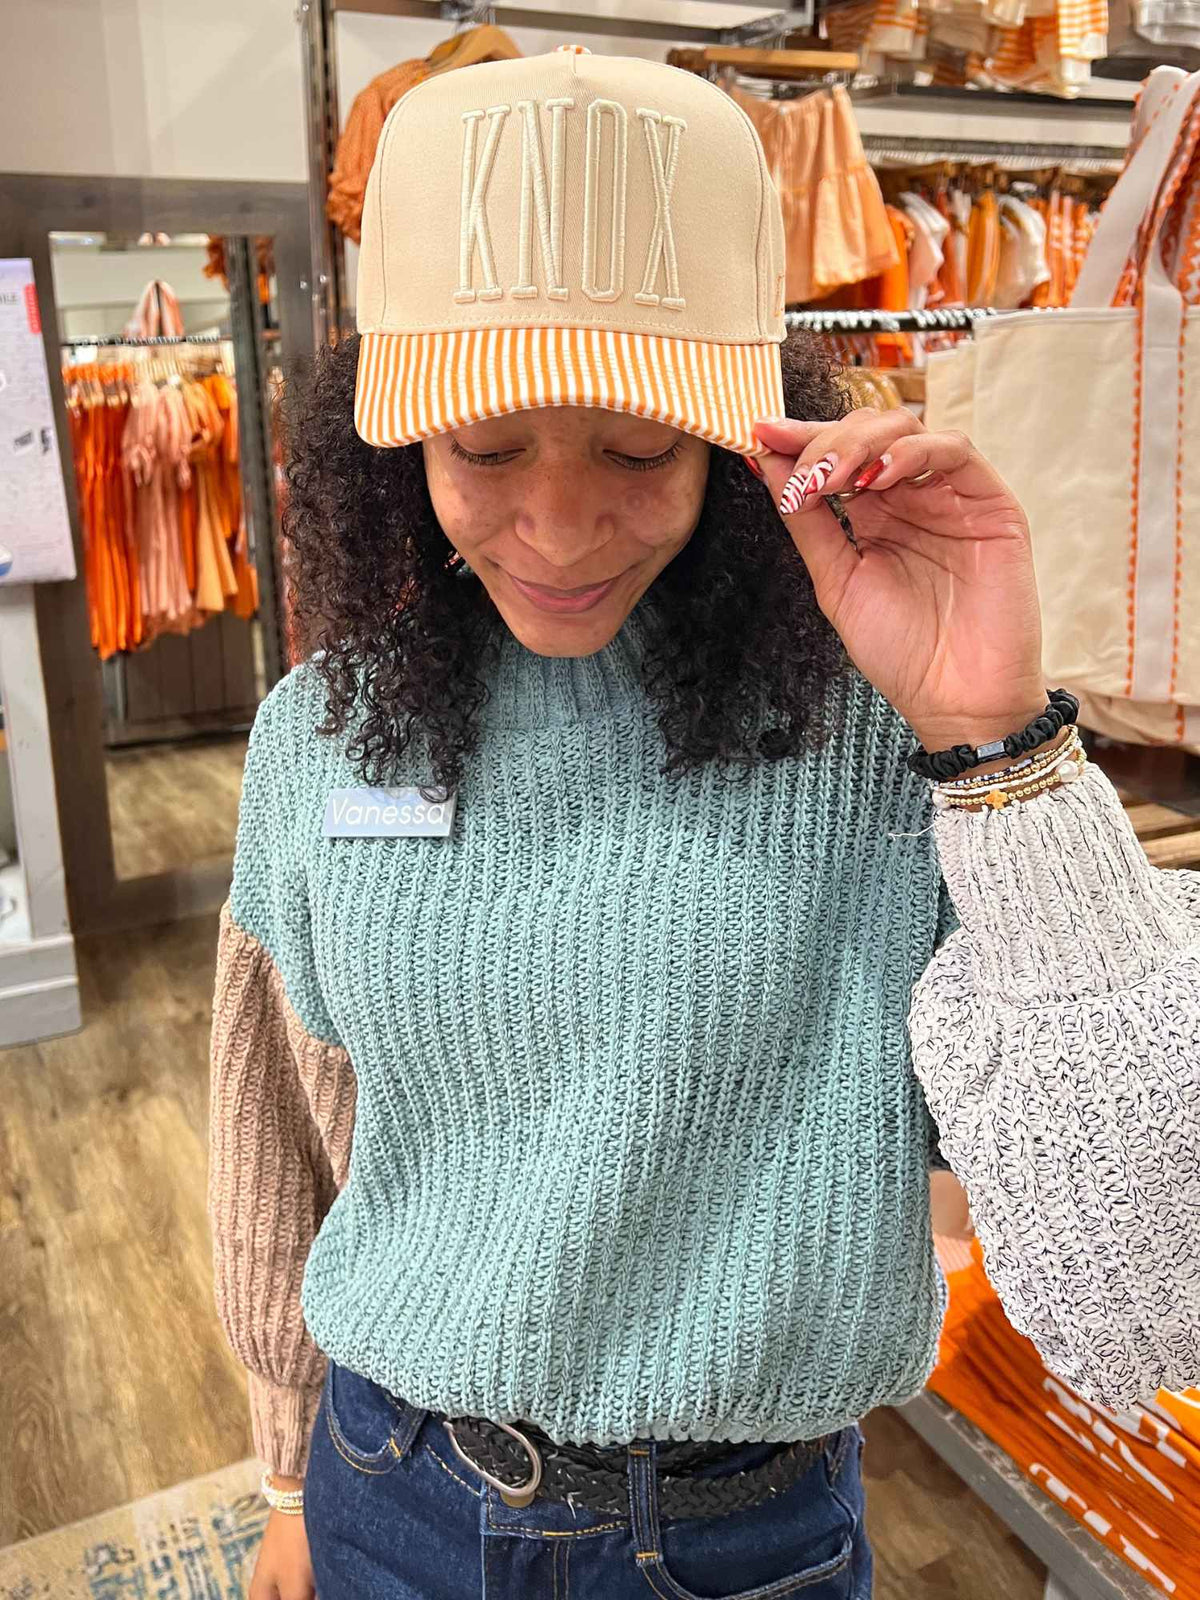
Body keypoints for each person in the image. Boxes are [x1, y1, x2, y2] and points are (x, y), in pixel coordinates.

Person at [206, 44, 1200, 1600]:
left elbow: (1149, 1275)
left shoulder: (881, 728)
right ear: (392, 441)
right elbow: (280, 1121)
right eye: (485, 446)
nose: (559, 525)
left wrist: (994, 739)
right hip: (388, 1486)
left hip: (735, 1538)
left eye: (637, 447)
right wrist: (283, 1470)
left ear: (743, 431)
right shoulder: (326, 731)